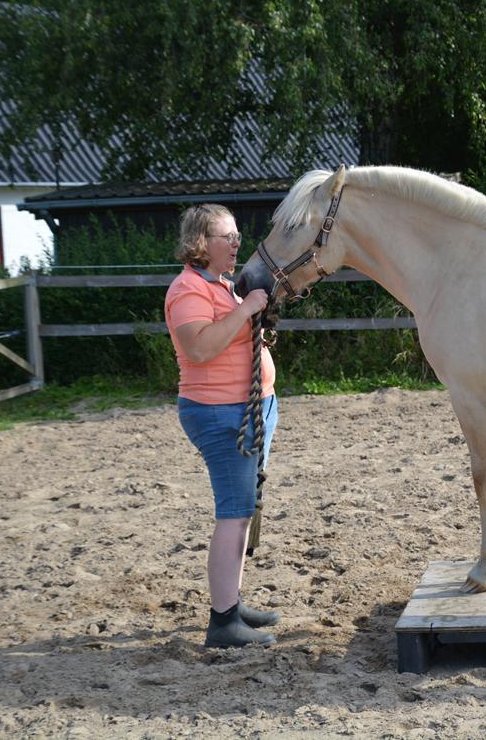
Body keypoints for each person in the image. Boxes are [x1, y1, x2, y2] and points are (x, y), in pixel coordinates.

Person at [165, 203, 279, 648]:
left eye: (236, 236)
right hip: (220, 413)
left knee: (244, 511)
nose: (235, 244)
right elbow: (200, 348)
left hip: (248, 409)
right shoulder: (187, 290)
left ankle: (230, 600)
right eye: (225, 237)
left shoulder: (222, 285)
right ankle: (222, 621)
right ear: (200, 243)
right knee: (234, 514)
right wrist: (247, 308)